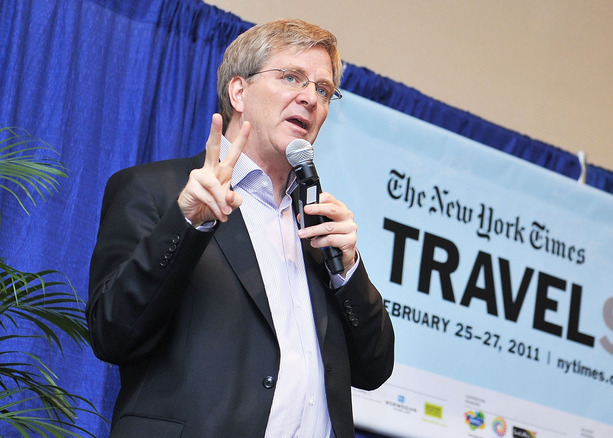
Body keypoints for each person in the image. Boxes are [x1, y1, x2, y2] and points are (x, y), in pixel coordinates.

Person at [86, 19, 394, 438]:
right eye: (291, 77)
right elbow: (112, 333)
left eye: (323, 90)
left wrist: (347, 270)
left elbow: (374, 368)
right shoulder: (156, 191)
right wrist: (187, 225)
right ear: (239, 92)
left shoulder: (319, 224)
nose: (309, 98)